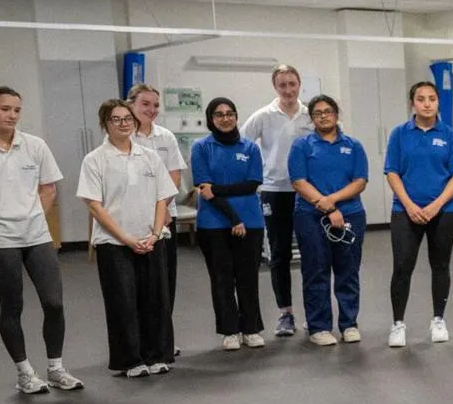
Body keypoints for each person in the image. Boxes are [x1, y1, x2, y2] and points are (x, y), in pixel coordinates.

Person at [0, 86, 83, 394]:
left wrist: (32, 215)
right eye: (5, 109)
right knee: (12, 306)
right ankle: (24, 372)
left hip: (36, 236)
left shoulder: (34, 145)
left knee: (54, 303)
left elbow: (48, 188)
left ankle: (56, 369)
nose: (12, 115)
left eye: (17, 110)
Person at [78, 99, 177, 378]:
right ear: (105, 124)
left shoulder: (149, 157)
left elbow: (162, 197)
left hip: (152, 239)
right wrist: (126, 238)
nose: (123, 124)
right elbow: (95, 205)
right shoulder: (95, 159)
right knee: (123, 302)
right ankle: (130, 360)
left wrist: (156, 234)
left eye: (127, 118)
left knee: (155, 300)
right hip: (114, 243)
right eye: (116, 119)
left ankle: (156, 355)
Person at [384, 80, 453, 348]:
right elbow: (392, 171)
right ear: (413, 103)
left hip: (444, 211)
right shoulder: (399, 134)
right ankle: (398, 323)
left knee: (440, 265)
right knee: (402, 267)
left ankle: (438, 319)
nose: (427, 103)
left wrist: (435, 206)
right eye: (421, 99)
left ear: (437, 102)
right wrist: (409, 205)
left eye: (432, 98)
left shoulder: (450, 135)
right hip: (405, 211)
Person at [241, 64, 314, 338]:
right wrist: (253, 178)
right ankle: (286, 314)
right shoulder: (263, 116)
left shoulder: (311, 115)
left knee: (312, 253)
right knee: (280, 253)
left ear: (299, 84)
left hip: (307, 191)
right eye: (282, 85)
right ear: (275, 87)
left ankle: (314, 311)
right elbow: (242, 144)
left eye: (292, 84)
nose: (288, 90)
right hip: (275, 191)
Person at [290, 95, 368, 347]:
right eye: (317, 113)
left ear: (337, 114)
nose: (323, 116)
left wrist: (331, 201)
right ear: (311, 118)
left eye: (328, 111)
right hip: (311, 216)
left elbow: (360, 181)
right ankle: (319, 326)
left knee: (348, 270)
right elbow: (299, 181)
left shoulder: (353, 146)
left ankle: (349, 324)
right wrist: (324, 205)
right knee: (316, 270)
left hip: (350, 215)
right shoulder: (302, 146)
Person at [190, 97, 265, 351]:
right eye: (219, 114)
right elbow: (204, 190)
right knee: (222, 280)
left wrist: (219, 189)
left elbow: (252, 184)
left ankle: (251, 328)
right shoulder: (201, 148)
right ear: (211, 119)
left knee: (248, 278)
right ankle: (230, 330)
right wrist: (234, 218)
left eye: (230, 113)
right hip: (214, 223)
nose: (225, 118)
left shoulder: (250, 148)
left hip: (251, 222)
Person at [128, 83, 186, 361]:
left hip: (163, 217)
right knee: (138, 284)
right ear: (131, 106)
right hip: (133, 219)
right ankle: (139, 341)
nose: (151, 110)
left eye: (155, 105)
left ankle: (163, 339)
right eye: (145, 104)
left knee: (165, 282)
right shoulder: (125, 137)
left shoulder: (166, 137)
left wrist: (162, 212)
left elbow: (173, 175)